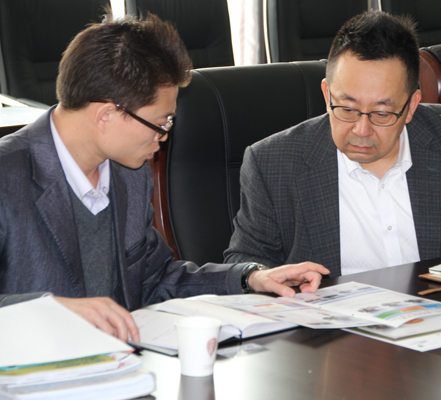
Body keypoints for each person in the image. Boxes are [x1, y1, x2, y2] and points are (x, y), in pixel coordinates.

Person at [0, 13, 329, 342]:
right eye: (161, 123)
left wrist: (250, 278)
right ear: (106, 114)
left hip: (124, 363)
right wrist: (49, 310)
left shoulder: (128, 173)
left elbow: (157, 278)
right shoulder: (7, 178)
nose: (164, 137)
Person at [224, 11, 441, 279]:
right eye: (346, 108)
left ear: (412, 106)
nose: (361, 129)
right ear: (326, 93)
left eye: (382, 113)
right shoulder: (273, 161)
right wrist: (258, 277)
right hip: (329, 343)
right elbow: (244, 261)